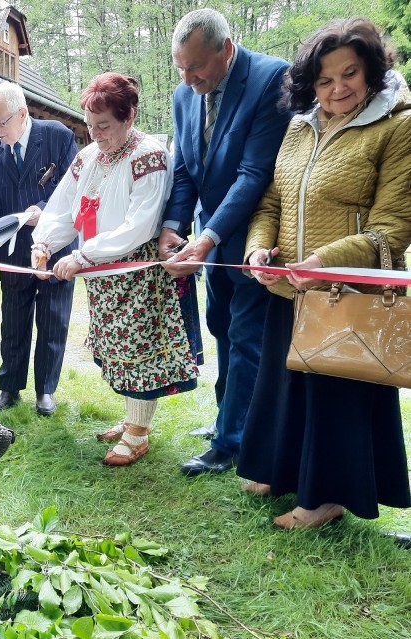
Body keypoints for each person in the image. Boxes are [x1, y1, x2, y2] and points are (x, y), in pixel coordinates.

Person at [237, 18, 411, 528]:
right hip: (287, 288)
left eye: (350, 73)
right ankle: (280, 470)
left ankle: (325, 499)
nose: (337, 88)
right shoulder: (299, 126)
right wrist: (257, 250)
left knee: (334, 397)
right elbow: (271, 200)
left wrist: (327, 262)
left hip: (348, 293)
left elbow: (393, 227)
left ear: (373, 70)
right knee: (284, 386)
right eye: (324, 79)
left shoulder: (399, 126)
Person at [31, 72, 202, 466]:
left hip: (137, 273)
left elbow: (140, 224)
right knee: (117, 350)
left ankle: (139, 433)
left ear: (129, 116)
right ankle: (131, 420)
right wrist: (43, 243)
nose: (94, 134)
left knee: (139, 352)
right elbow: (63, 205)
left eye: (104, 126)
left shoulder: (149, 155)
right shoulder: (88, 156)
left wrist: (81, 257)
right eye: (90, 126)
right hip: (102, 273)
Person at [160, 8, 291, 475]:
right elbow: (184, 169)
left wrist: (210, 237)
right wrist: (175, 226)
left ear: (227, 50)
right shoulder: (183, 95)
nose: (188, 77)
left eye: (196, 66)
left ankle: (233, 440)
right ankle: (226, 418)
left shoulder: (272, 79)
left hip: (256, 238)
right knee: (220, 325)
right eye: (181, 68)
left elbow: (254, 173)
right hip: (209, 241)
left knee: (246, 335)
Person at [0, 82, 78, 416]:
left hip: (55, 247)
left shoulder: (58, 136)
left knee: (53, 320)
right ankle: (8, 387)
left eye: (1, 122)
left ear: (22, 114)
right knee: (12, 320)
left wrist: (43, 209)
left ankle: (46, 392)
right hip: (12, 250)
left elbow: (73, 186)